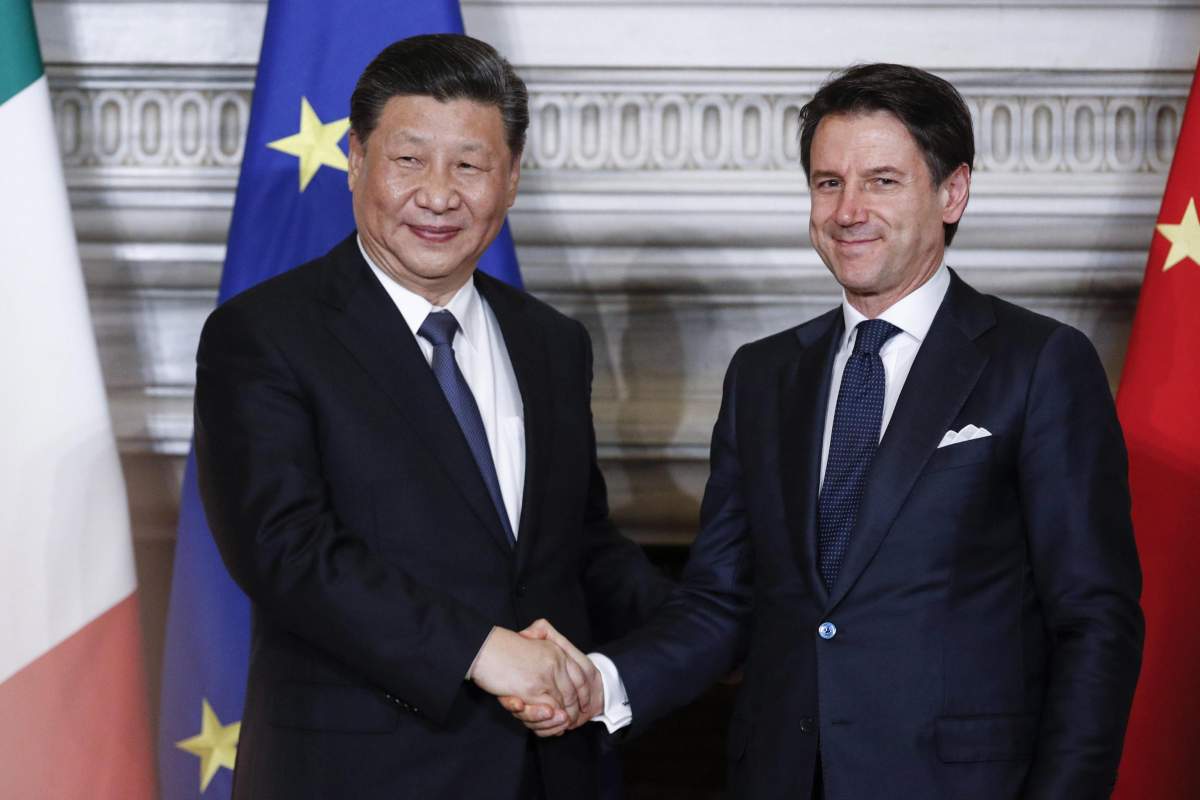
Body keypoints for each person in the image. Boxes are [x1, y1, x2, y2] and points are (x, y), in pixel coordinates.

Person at [506, 63, 1144, 799]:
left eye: (882, 181)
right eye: (828, 182)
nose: (849, 210)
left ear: (952, 192)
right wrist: (602, 683)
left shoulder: (1038, 363)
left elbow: (1096, 620)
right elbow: (722, 600)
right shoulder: (764, 375)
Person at [194, 33, 668, 800]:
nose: (439, 195)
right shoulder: (265, 334)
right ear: (356, 159)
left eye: (470, 166)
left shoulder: (552, 343)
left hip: (551, 773)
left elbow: (578, 548)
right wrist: (482, 651)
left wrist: (726, 618)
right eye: (409, 160)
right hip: (357, 776)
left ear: (510, 179)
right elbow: (286, 550)